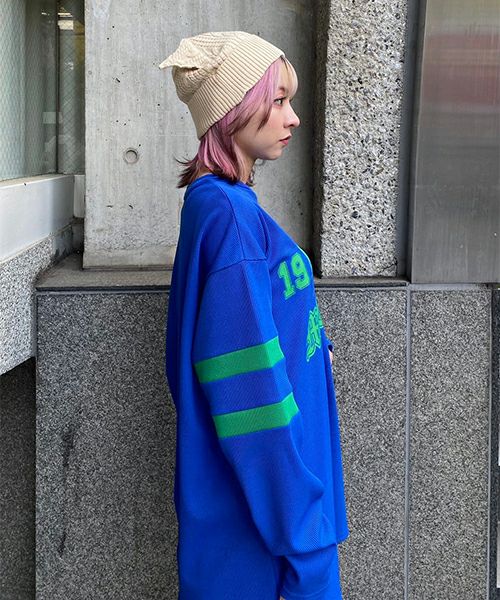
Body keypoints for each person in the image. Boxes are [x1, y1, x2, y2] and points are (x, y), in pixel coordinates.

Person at [159, 31, 350, 600]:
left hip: (268, 523)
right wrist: (302, 530)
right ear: (234, 109)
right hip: (270, 541)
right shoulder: (229, 217)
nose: (293, 118)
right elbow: (248, 393)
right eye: (278, 101)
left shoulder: (221, 205)